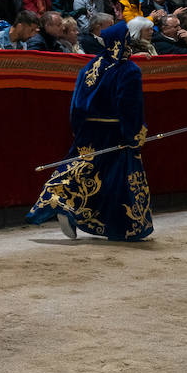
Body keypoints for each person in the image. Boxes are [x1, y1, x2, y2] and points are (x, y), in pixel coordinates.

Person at [27, 21, 151, 241]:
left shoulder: (91, 66)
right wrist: (134, 134)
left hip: (89, 129)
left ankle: (59, 199)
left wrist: (78, 129)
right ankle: (123, 226)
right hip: (115, 130)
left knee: (80, 168)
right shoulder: (129, 69)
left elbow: (76, 102)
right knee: (118, 178)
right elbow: (129, 106)